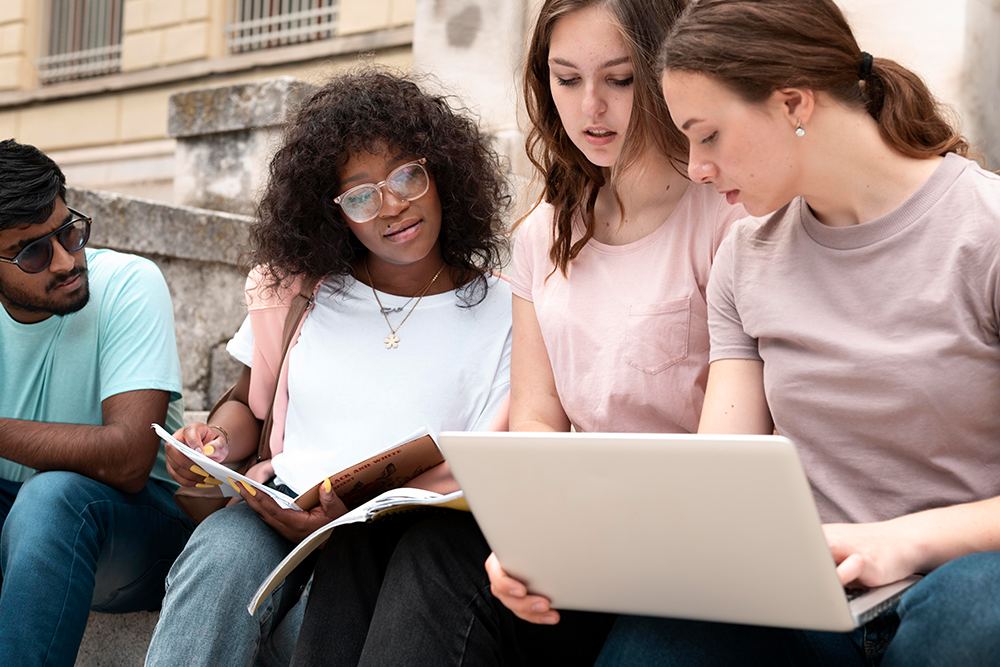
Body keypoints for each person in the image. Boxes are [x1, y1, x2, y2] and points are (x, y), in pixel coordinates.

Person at [291, 1, 743, 664]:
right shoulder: (544, 233)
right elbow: (536, 417)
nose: (591, 107)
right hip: (581, 530)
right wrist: (526, 538)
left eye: (619, 79)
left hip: (678, 541)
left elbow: (726, 457)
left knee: (436, 556)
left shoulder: (723, 215)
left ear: (663, 71)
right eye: (566, 79)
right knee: (373, 541)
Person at [593, 0, 1000, 664]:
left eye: (708, 135)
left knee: (978, 612)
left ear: (792, 104)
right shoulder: (747, 258)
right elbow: (718, 481)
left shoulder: (985, 228)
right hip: (815, 604)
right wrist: (557, 553)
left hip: (963, 584)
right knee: (657, 634)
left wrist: (900, 540)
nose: (696, 167)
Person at [145, 69, 512, 667]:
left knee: (304, 636)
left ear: (439, 169)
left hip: (395, 548)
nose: (392, 207)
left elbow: (494, 464)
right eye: (360, 194)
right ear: (333, 211)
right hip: (270, 514)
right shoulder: (296, 293)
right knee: (216, 563)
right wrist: (212, 442)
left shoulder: (508, 309)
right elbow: (247, 407)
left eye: (406, 176)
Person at [0, 138, 191, 665]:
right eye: (33, 251)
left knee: (50, 498)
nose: (66, 261)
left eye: (69, 232)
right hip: (13, 509)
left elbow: (129, 459)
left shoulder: (128, 284)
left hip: (137, 522)